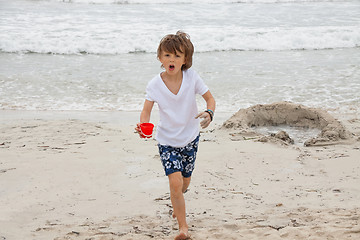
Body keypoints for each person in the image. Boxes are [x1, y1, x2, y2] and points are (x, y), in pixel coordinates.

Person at [135, 31, 215, 240]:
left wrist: (209, 113)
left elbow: (210, 100)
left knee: (185, 181)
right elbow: (146, 110)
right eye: (167, 55)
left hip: (190, 138)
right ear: (160, 58)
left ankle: (177, 201)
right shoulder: (154, 84)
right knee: (175, 183)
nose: (172, 60)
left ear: (185, 59)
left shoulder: (192, 77)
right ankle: (183, 228)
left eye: (177, 56)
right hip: (167, 141)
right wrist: (144, 125)